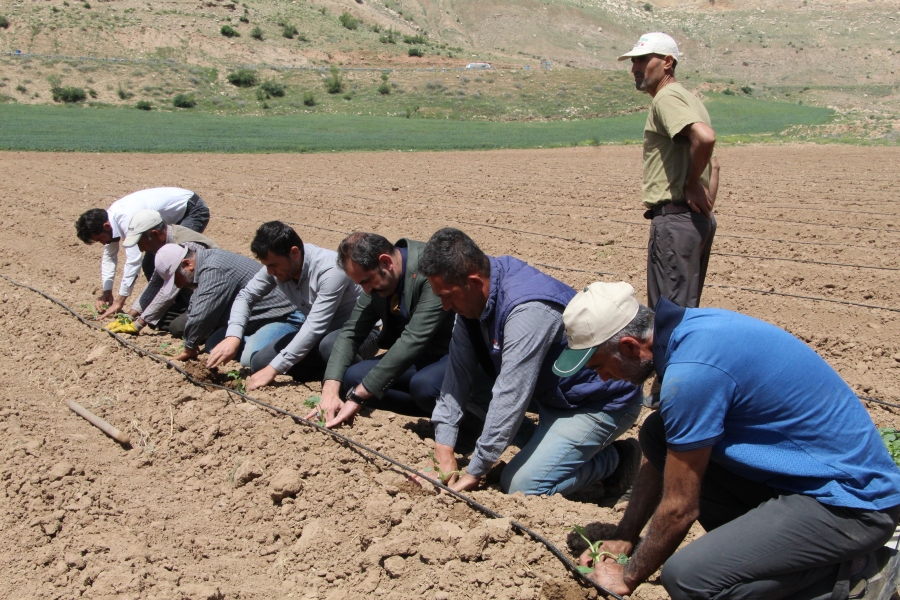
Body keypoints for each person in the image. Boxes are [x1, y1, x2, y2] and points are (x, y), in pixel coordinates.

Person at [553, 282, 900, 599]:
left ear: (629, 346)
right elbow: (665, 455)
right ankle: (803, 562)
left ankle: (856, 578)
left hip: (853, 506)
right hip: (810, 483)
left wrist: (627, 577)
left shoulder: (692, 373)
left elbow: (679, 509)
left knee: (688, 579)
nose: (601, 376)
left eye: (600, 364)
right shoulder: (692, 329)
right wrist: (626, 535)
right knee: (657, 434)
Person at [418, 228, 642, 496]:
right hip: (551, 391)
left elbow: (511, 393)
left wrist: (475, 470)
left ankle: (616, 459)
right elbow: (457, 375)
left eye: (447, 296)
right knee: (459, 381)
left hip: (595, 401)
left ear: (474, 282)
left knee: (522, 485)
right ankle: (543, 448)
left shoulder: (527, 309)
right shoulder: (471, 299)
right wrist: (443, 451)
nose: (444, 306)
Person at [619, 32, 720, 310]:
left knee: (669, 319)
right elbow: (716, 163)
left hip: (675, 221)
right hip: (692, 222)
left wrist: (690, 186)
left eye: (642, 60)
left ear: (667, 62)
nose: (635, 68)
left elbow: (705, 138)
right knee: (685, 314)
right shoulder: (689, 99)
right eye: (633, 61)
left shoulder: (666, 98)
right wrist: (705, 208)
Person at [312, 232, 455, 428]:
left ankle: (466, 422)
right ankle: (434, 408)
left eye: (366, 281)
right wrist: (330, 389)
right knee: (353, 378)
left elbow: (413, 340)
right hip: (418, 356)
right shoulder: (378, 280)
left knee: (423, 386)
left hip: (451, 354)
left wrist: (358, 397)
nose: (366, 291)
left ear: (386, 262)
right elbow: (350, 333)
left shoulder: (431, 269)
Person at [206, 221, 365, 393]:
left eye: (273, 265)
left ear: (294, 253)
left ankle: (359, 377)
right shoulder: (277, 268)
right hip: (320, 335)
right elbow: (246, 296)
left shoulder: (330, 269)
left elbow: (314, 326)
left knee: (328, 346)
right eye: (266, 266)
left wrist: (274, 369)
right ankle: (328, 372)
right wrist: (234, 336)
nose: (269, 272)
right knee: (260, 362)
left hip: (357, 333)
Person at [75, 187, 211, 320]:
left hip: (191, 210)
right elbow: (109, 256)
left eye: (100, 239)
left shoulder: (127, 220)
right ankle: (173, 308)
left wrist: (120, 300)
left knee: (173, 263)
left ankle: (188, 309)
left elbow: (134, 261)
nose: (103, 243)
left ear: (106, 226)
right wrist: (107, 292)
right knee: (151, 264)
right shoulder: (110, 220)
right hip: (166, 220)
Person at [152, 244, 301, 364]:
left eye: (176, 278)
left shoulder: (213, 269)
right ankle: (253, 340)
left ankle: (293, 345)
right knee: (211, 347)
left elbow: (201, 314)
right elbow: (195, 306)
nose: (177, 285)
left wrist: (190, 347)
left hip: (282, 315)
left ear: (187, 264)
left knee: (250, 359)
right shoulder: (206, 265)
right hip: (252, 319)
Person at [105, 209, 218, 337]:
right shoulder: (168, 244)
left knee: (176, 328)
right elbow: (155, 283)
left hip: (215, 299)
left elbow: (169, 291)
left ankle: (216, 327)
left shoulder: (185, 246)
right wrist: (129, 317)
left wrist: (139, 324)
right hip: (196, 295)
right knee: (159, 319)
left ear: (154, 234)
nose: (141, 249)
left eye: (141, 243)